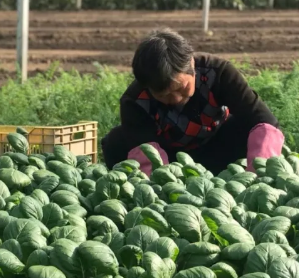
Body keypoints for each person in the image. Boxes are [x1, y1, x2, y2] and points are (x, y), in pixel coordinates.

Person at [101, 28, 283, 174]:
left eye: (181, 88)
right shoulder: (134, 100)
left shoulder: (219, 73)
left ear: (192, 65)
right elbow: (147, 152)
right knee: (115, 141)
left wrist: (260, 172)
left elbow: (263, 120)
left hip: (218, 148)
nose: (175, 99)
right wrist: (163, 185)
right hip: (172, 160)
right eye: (163, 95)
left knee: (254, 129)